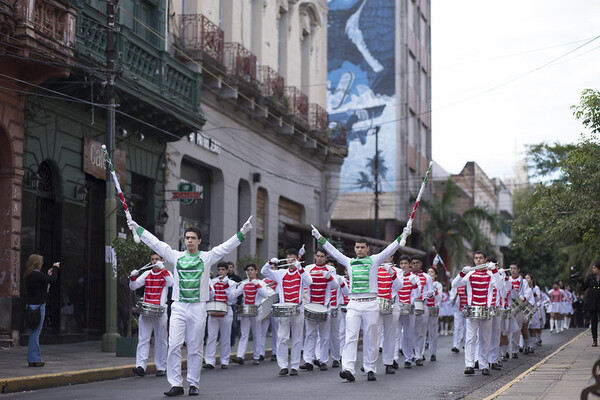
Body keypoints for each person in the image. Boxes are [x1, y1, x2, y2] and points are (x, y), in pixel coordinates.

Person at [127, 216, 253, 397]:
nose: (190, 241)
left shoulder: (206, 257)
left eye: (193, 238)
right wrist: (137, 228)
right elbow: (156, 243)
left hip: (198, 307)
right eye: (187, 238)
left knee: (195, 347)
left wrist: (243, 232)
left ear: (199, 241)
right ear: (184, 240)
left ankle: (194, 383)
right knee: (174, 345)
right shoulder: (176, 257)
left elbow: (226, 246)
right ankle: (176, 384)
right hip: (178, 306)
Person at [312, 225, 409, 382]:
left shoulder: (375, 260)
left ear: (368, 249)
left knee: (372, 337)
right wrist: (319, 238)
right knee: (350, 337)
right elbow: (334, 252)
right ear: (354, 249)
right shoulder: (349, 262)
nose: (359, 250)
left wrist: (403, 235)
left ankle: (370, 368)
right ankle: (348, 369)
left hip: (371, 303)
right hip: (354, 304)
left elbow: (391, 248)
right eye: (357, 247)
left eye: (362, 247)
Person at [261, 249, 313, 376]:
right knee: (282, 338)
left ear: (297, 259)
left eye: (293, 259)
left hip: (298, 309)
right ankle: (283, 365)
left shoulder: (302, 272)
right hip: (284, 310)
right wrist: (269, 263)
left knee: (297, 338)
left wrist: (300, 268)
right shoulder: (281, 273)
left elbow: (310, 282)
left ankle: (294, 366)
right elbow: (264, 272)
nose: (290, 261)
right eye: (288, 259)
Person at [452, 251, 500, 376]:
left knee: (485, 339)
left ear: (485, 260)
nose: (478, 260)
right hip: (472, 310)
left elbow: (500, 286)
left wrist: (495, 271)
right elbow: (454, 285)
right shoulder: (470, 273)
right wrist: (462, 273)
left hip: (486, 310)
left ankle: (484, 365)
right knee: (470, 339)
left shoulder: (490, 274)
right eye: (476, 258)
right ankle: (469, 365)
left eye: (480, 258)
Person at [129, 252, 173, 377]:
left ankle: (161, 367)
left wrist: (163, 268)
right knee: (143, 339)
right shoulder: (147, 273)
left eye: (157, 259)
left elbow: (171, 283)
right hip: (146, 310)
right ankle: (140, 366)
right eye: (153, 259)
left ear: (162, 260)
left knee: (161, 340)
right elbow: (134, 286)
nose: (154, 261)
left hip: (160, 311)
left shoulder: (166, 274)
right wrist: (133, 277)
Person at [301, 248, 339, 371]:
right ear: (315, 256)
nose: (319, 258)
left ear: (326, 257)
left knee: (324, 336)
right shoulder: (308, 268)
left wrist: (329, 277)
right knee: (310, 334)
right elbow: (303, 284)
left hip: (324, 307)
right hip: (311, 306)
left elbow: (336, 286)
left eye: (322, 256)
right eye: (317, 256)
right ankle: (308, 360)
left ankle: (323, 360)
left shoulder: (331, 269)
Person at [24, 255, 59, 367]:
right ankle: (35, 358)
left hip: (31, 306)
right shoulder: (36, 274)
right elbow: (52, 280)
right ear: (37, 263)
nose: (42, 264)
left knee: (33, 332)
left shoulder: (29, 275)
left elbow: (44, 282)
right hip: (38, 306)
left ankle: (32, 358)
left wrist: (48, 274)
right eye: (41, 262)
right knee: (35, 332)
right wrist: (55, 268)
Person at [231, 263, 269, 365]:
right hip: (246, 310)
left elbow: (266, 294)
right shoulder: (244, 283)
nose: (250, 272)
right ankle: (240, 356)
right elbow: (235, 294)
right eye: (248, 270)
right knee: (244, 334)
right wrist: (233, 288)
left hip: (257, 310)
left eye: (252, 270)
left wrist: (256, 284)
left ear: (256, 271)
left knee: (257, 334)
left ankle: (256, 356)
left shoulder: (261, 283)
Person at [204, 261, 236, 369]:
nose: (221, 272)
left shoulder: (232, 283)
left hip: (226, 311)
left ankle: (224, 360)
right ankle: (209, 361)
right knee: (211, 337)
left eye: (223, 269)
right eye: (219, 270)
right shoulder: (213, 282)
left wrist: (225, 285)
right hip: (213, 311)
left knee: (225, 337)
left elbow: (232, 298)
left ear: (227, 271)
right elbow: (210, 296)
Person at [393, 254, 420, 369]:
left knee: (408, 335)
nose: (403, 266)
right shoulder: (395, 277)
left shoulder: (414, 277)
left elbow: (418, 295)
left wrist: (414, 285)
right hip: (397, 308)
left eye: (405, 264)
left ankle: (409, 357)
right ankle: (394, 359)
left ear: (410, 265)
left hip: (409, 309)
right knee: (396, 334)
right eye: (401, 264)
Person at [411, 255, 434, 366]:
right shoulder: (407, 276)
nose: (415, 265)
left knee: (421, 332)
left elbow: (431, 291)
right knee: (407, 332)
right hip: (409, 306)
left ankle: (419, 355)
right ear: (410, 264)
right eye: (413, 263)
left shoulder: (427, 277)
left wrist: (430, 293)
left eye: (417, 262)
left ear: (421, 264)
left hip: (422, 305)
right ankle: (409, 355)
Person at [579, 261, 600, 346]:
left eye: (594, 268)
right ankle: (594, 340)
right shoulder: (590, 277)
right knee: (594, 321)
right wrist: (580, 280)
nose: (593, 270)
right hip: (592, 302)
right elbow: (584, 287)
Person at [425, 266, 442, 362]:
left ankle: (432, 353)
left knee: (433, 332)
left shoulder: (438, 285)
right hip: (425, 307)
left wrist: (434, 291)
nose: (430, 274)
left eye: (432, 272)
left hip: (433, 308)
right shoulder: (424, 282)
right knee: (422, 331)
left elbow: (439, 298)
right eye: (428, 272)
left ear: (435, 275)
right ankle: (420, 353)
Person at [226, 261, 242, 347]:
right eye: (228, 268)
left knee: (234, 324)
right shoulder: (221, 278)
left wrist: (238, 303)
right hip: (223, 303)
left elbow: (240, 292)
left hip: (233, 304)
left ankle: (232, 341)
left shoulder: (238, 279)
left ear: (233, 268)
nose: (229, 269)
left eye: (231, 267)